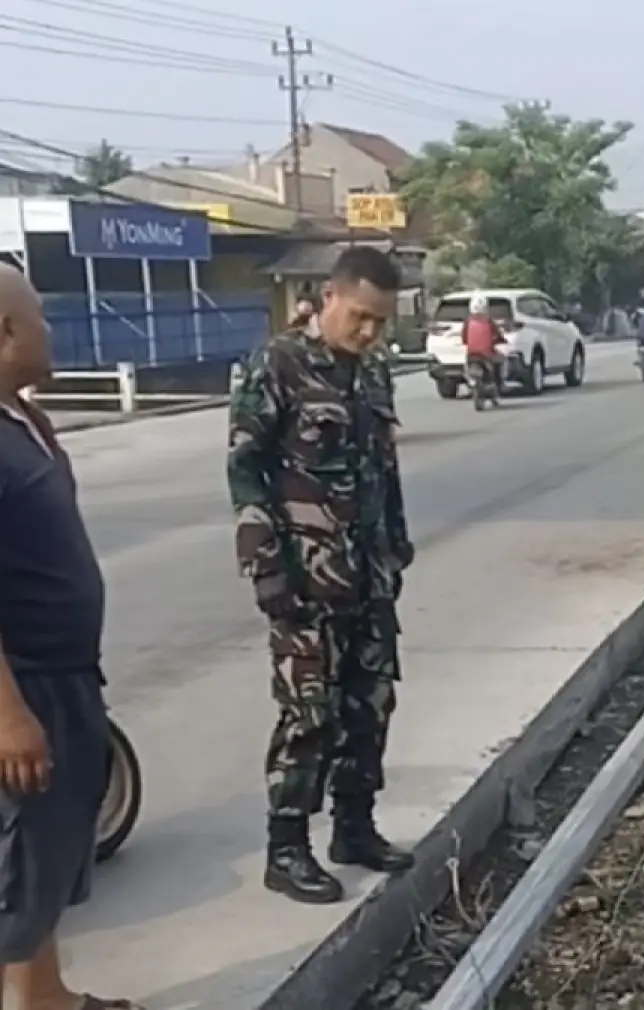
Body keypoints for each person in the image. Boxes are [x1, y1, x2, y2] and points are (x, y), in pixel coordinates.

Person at [227, 246, 417, 904]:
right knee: (309, 714)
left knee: (371, 702)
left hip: (368, 576)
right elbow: (244, 468)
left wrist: (396, 544)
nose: (369, 332)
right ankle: (287, 848)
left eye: (380, 323)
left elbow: (383, 470)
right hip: (303, 580)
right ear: (328, 298)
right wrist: (264, 566)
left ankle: (354, 828)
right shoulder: (276, 364)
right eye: (360, 317)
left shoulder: (373, 374)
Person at [0, 263, 142, 1010]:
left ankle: (50, 998)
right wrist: (8, 713)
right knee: (23, 868)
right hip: (27, 687)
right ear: (5, 333)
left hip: (66, 675)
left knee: (50, 856)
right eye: (42, 320)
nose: (53, 332)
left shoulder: (18, 420)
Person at [461, 291, 506, 396]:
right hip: (487, 354)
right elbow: (497, 334)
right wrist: (501, 340)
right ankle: (499, 384)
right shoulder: (489, 321)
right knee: (500, 360)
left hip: (471, 354)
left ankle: (472, 383)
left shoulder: (468, 321)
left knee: (467, 366)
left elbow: (464, 337)